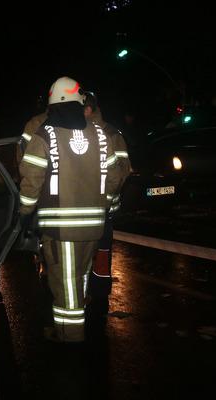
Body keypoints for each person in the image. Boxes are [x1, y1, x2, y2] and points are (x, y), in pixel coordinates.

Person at [18, 76, 123, 343]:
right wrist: (106, 205)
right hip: (94, 227)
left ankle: (70, 343)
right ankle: (75, 333)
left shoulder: (44, 135)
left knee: (65, 290)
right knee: (80, 281)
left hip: (60, 229)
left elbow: (31, 180)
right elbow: (114, 177)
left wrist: (24, 213)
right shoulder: (100, 133)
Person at [83, 92, 131, 322]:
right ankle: (88, 296)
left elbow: (121, 172)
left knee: (101, 256)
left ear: (89, 109)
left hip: (103, 209)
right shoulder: (80, 133)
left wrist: (105, 200)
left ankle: (100, 298)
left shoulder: (111, 134)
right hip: (84, 208)